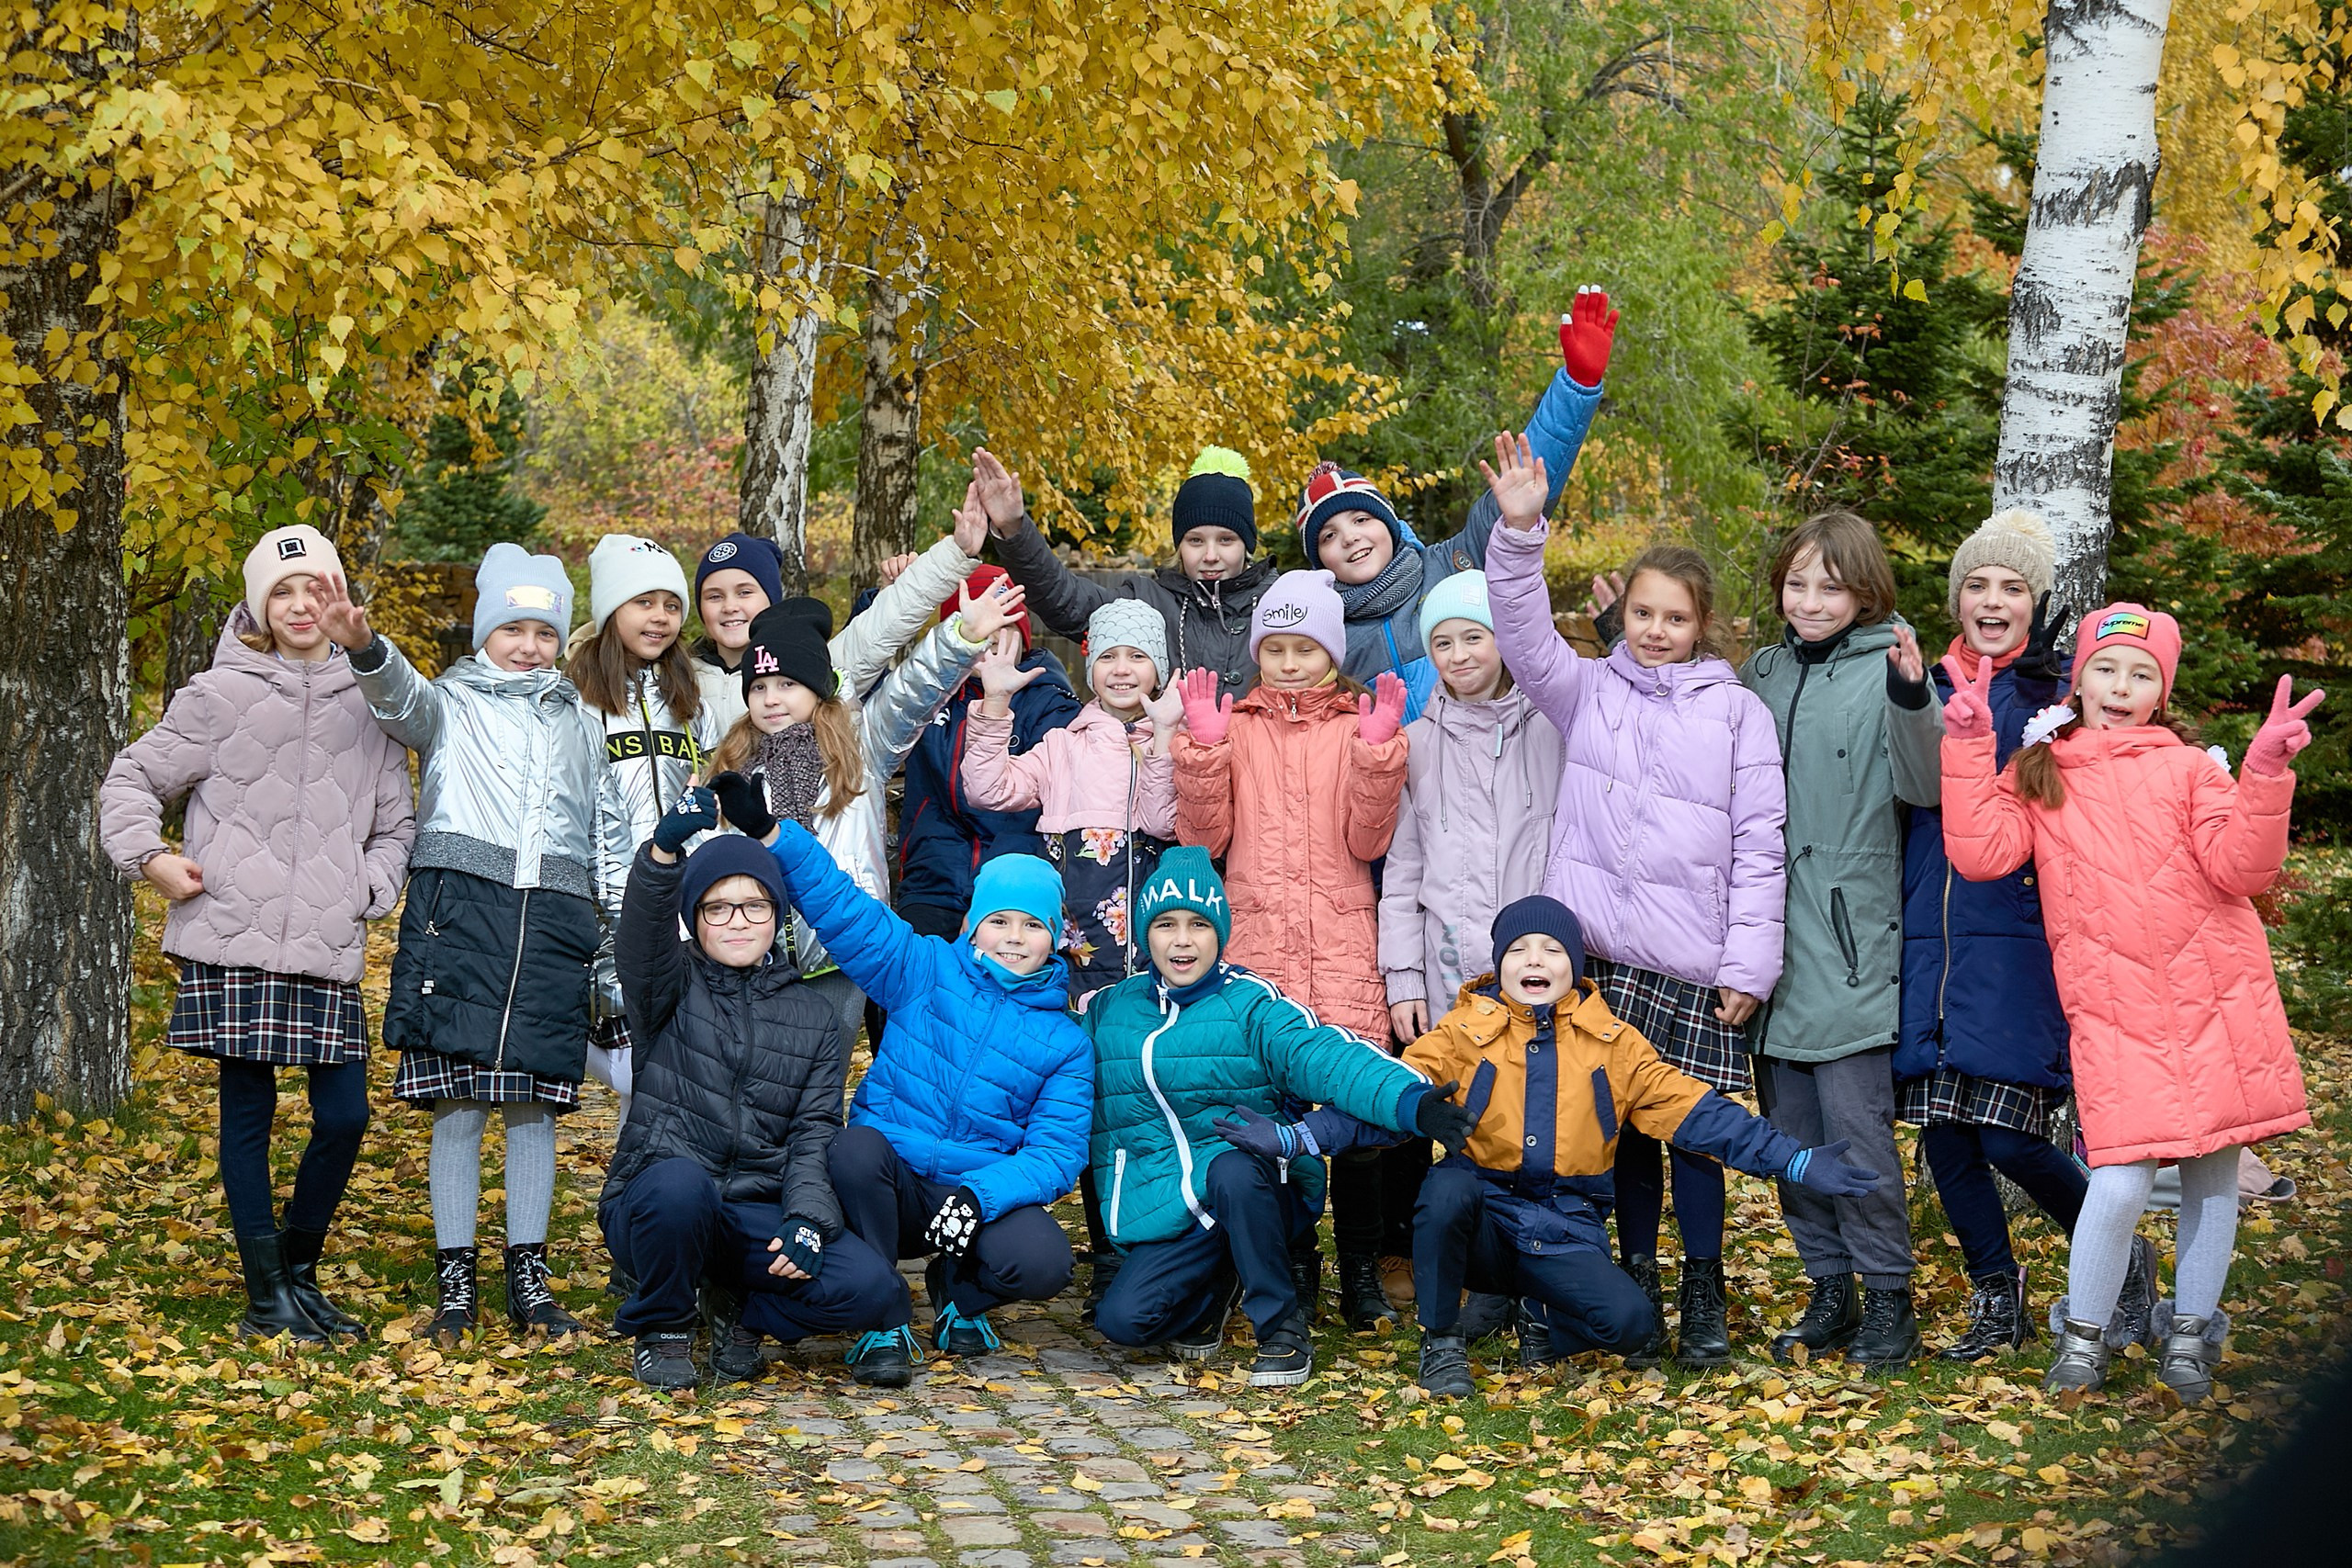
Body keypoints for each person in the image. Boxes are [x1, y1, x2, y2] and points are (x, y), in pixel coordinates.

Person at [1939, 605, 2318, 1403]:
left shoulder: (2190, 769)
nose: (2121, 685)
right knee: (2117, 1182)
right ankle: (2086, 1336)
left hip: (2216, 996)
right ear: (2079, 679)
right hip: (2114, 1010)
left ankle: (2189, 1335)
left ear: (2160, 691)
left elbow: (2241, 868)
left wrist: (2265, 775)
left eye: (2142, 674)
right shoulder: (2041, 768)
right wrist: (1970, 745)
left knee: (2213, 1177)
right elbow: (1980, 853)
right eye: (2107, 668)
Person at [1485, 437, 1789, 1367]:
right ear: (1623, 613)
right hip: (1601, 962)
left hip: (1693, 967)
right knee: (1615, 1135)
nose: (1655, 629)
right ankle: (1633, 1286)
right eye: (1644, 613)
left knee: (1693, 1136)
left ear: (1702, 624)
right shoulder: (1585, 693)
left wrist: (1748, 965)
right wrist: (1520, 530)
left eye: (1675, 617)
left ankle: (1703, 1292)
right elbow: (1523, 635)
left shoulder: (1736, 713)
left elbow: (1759, 843)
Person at [99, 527, 415, 1343]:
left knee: (344, 1116)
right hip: (230, 932)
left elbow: (395, 824)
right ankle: (264, 1291)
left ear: (339, 596)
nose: (300, 604)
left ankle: (300, 1272)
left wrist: (370, 887)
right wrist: (153, 859)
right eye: (282, 591)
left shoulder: (371, 702)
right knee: (247, 1113)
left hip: (325, 937)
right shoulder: (217, 695)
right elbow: (132, 778)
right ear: (257, 605)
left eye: (315, 588)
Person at [1401, 897, 1882, 1396]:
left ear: (1576, 966)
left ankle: (1542, 1309)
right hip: (1486, 1218)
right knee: (1447, 1188)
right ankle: (1441, 1344)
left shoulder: (1615, 1045)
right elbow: (1391, 1089)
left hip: (1563, 1227)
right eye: (1518, 950)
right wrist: (1315, 1133)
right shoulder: (1460, 1034)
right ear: (1499, 964)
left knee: (1632, 1326)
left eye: (1552, 949)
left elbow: (1698, 1111)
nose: (1535, 960)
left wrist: (1793, 1159)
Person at [711, 773, 1093, 1389]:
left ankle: (958, 1292)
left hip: (968, 1194)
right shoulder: (925, 968)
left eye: (1032, 924)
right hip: (887, 1186)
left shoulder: (1067, 1041)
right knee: (853, 1147)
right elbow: (844, 909)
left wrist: (980, 1196)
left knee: (1044, 1260)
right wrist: (771, 833)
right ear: (973, 923)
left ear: (1055, 937)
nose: (1014, 937)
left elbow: (1057, 1152)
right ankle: (881, 1315)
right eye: (999, 919)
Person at [321, 547, 608, 1342]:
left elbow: (602, 833)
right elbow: (398, 700)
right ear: (485, 631)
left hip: (552, 918)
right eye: (512, 628)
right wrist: (366, 647)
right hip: (462, 914)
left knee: (534, 1107)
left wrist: (606, 942)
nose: (528, 645)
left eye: (543, 631)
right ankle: (455, 1280)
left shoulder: (582, 722)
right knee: (458, 1104)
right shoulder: (449, 701)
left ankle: (529, 1276)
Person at [1895, 511, 2154, 1360]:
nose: (1992, 599)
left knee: (2009, 1133)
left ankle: (2120, 1258)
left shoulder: (2054, 700)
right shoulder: (1922, 680)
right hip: (1930, 938)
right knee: (1944, 1131)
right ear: (1957, 598)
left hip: (2020, 941)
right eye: (1977, 584)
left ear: (2036, 602)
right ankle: (1995, 1297)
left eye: (2012, 586)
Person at [1082, 848, 1479, 1387]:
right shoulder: (1110, 1008)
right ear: (1144, 934)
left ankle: (1282, 1328)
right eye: (1166, 925)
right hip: (1174, 1206)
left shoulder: (1253, 1005)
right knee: (1124, 1321)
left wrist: (1412, 1101)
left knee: (1231, 1168)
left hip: (1261, 1187)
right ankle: (1222, 1279)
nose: (1182, 941)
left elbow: (1328, 1056)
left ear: (1220, 932)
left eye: (1199, 925)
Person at [1171, 570, 1413, 1332]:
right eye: (1273, 647)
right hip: (1261, 948)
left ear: (1331, 653)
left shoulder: (1353, 728)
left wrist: (1378, 758)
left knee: (1354, 1118)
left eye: (1304, 646)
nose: (1287, 661)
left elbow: (1367, 839)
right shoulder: (1235, 727)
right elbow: (1202, 842)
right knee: (1274, 1121)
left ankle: (1363, 1270)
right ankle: (1293, 1266)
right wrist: (1203, 753)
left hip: (1341, 946)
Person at [599, 800, 904, 1389]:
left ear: (776, 915)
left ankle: (743, 1310)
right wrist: (662, 854)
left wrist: (808, 1217)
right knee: (679, 1185)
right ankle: (663, 1328)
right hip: (661, 1210)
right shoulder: (669, 986)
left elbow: (816, 1128)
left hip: (750, 1215)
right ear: (695, 919)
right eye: (717, 908)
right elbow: (638, 939)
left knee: (874, 1288)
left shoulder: (814, 1016)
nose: (737, 921)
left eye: (754, 905)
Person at [1738, 509, 1943, 1369]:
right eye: (1797, 583)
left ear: (1865, 592)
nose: (1811, 600)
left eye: (1831, 585)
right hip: (1762, 938)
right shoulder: (1761, 671)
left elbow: (1926, 781)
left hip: (1850, 936)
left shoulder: (1890, 665)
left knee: (1856, 1135)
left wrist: (1911, 696)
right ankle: (1829, 1288)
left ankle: (1889, 1296)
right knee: (1789, 1135)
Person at [697, 570, 1022, 1042]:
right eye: (759, 687)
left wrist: (962, 635)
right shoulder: (736, 761)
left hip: (842, 954)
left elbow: (914, 691)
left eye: (787, 685)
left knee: (822, 1085)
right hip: (759, 957)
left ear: (817, 687)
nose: (770, 700)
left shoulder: (861, 747)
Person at [1374, 567, 1565, 1325]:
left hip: (1533, 969)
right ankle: (1466, 1271)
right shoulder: (1416, 744)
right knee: (1459, 1119)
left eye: (1472, 637)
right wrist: (1402, 975)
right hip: (1446, 966)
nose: (1457, 655)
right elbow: (1402, 868)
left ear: (1503, 641)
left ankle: (1536, 1270)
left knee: (1531, 1117)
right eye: (1442, 642)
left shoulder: (1548, 729)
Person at [1292, 288, 1615, 716]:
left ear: (1388, 524)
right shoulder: (1327, 635)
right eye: (1330, 535)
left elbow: (1522, 484)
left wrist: (1576, 386)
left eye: (1360, 519)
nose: (1350, 539)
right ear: (1319, 560)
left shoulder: (1456, 565)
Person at [961, 598, 1184, 1000]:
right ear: (1090, 669)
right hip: (1074, 951)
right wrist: (995, 702)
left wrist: (1164, 738)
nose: (1121, 669)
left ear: (1159, 670)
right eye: (1107, 657)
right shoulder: (1061, 746)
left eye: (1137, 656)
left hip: (1153, 951)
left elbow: (1160, 823)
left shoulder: (1176, 742)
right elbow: (986, 788)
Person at [569, 534, 718, 1130]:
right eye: (643, 602)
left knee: (666, 1084)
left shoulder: (691, 698)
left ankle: (642, 1210)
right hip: (606, 919)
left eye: (671, 604)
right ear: (610, 610)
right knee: (644, 1076)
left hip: (684, 913)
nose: (660, 617)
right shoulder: (575, 699)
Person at [975, 446, 1273, 700]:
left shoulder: (1280, 599)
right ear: (1179, 545)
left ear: (1247, 544)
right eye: (1195, 540)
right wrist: (1014, 528)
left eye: (1226, 540)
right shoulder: (1146, 602)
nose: (1210, 556)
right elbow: (1065, 599)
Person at [894, 564, 1083, 943]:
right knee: (911, 973)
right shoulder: (929, 696)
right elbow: (862, 689)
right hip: (933, 877)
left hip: (1012, 879)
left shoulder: (1049, 704)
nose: (992, 643)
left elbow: (1038, 810)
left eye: (1004, 628)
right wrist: (890, 599)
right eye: (980, 628)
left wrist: (989, 896)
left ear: (1023, 635)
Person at [690, 508, 989, 730]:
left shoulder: (813, 665)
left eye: (744, 592)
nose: (730, 606)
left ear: (771, 601)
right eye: (714, 596)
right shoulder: (677, 675)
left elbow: (879, 630)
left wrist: (956, 553)